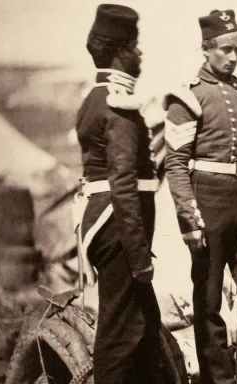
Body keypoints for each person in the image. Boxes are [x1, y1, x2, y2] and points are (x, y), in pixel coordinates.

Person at [164, 9, 237, 384]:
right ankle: (217, 379)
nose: (232, 57)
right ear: (206, 49)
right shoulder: (187, 97)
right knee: (209, 300)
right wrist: (189, 219)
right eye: (225, 50)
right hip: (208, 200)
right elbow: (176, 162)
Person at [75, 4, 162, 382]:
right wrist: (140, 255)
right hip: (118, 227)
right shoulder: (117, 105)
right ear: (118, 51)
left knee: (144, 322)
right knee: (120, 334)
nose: (140, 53)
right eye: (135, 46)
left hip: (105, 223)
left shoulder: (92, 99)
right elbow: (123, 184)